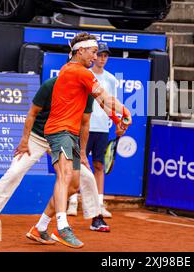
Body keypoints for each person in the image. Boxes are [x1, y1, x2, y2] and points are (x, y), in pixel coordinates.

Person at [32, 32, 131, 248]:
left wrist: (117, 117)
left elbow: (102, 102)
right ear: (80, 51)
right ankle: (62, 225)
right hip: (59, 132)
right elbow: (105, 97)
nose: (96, 57)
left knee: (74, 184)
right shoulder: (79, 72)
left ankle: (40, 227)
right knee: (65, 175)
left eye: (98, 53)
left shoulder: (73, 71)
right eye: (94, 52)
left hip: (72, 134)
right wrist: (124, 111)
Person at [0, 76, 117, 235]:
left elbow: (84, 123)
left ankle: (96, 218)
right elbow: (32, 113)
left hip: (64, 139)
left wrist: (82, 153)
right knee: (15, 171)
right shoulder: (50, 86)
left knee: (87, 176)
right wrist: (24, 140)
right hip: (37, 137)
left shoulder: (87, 92)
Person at [67, 42, 115, 219]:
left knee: (98, 165)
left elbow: (111, 102)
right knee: (77, 165)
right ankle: (72, 202)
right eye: (99, 54)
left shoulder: (111, 79)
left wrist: (116, 121)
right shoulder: (84, 75)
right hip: (82, 126)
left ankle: (99, 204)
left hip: (102, 129)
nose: (102, 58)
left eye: (105, 55)